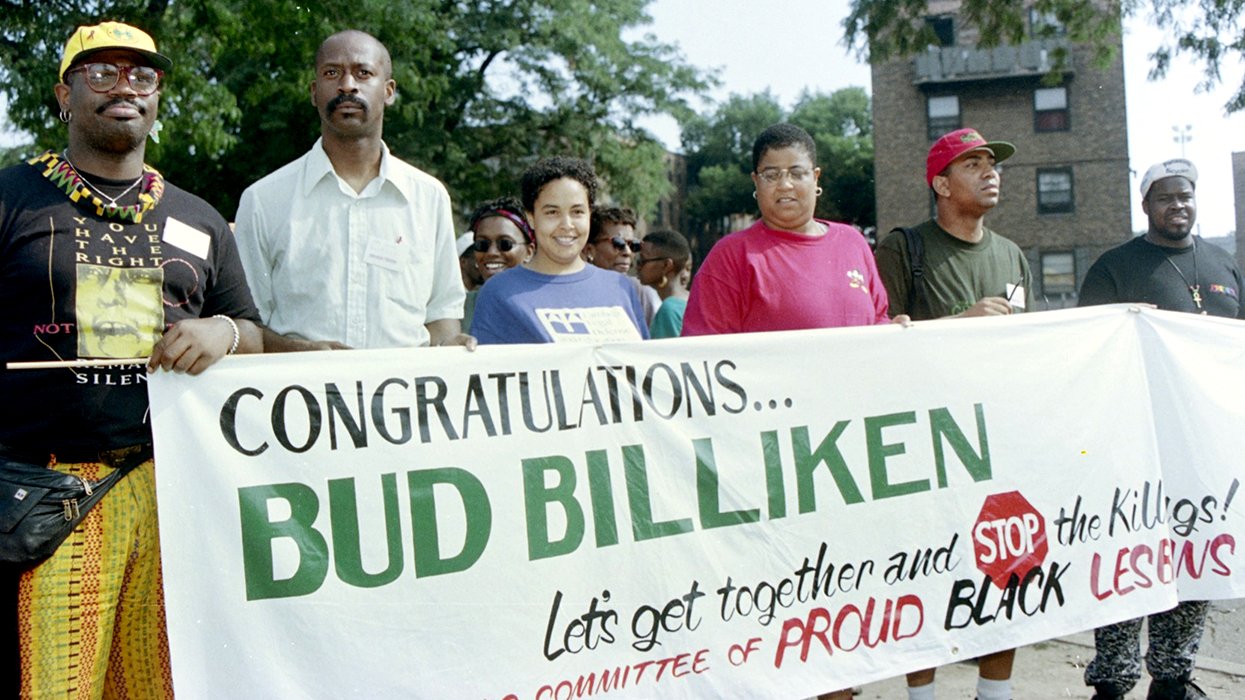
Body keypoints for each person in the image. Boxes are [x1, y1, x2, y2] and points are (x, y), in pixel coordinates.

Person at [0, 21, 262, 696]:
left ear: (157, 96)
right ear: (65, 94)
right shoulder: (11, 198)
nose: (125, 88)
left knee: (159, 683)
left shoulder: (198, 217)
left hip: (174, 495)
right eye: (101, 73)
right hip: (45, 500)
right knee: (53, 685)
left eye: (141, 75)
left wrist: (221, 335)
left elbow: (255, 330)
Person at [874, 127, 1031, 700]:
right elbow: (875, 342)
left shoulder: (1012, 253)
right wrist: (961, 324)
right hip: (927, 442)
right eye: (973, 165)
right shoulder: (903, 248)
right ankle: (923, 693)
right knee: (928, 574)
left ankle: (996, 692)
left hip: (999, 438)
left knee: (1008, 564)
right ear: (940, 184)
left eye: (993, 163)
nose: (991, 172)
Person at [1079, 158, 1240, 700]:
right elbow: (1089, 352)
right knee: (1131, 559)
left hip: (1205, 446)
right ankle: (1114, 678)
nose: (1179, 205)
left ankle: (1173, 676)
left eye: (1187, 196)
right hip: (1136, 444)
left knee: (1197, 554)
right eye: (1167, 197)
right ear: (1145, 204)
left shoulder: (1224, 263)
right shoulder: (1115, 267)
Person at [234, 29, 469, 351]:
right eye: (332, 73)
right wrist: (300, 352)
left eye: (363, 73)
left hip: (402, 398)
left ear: (388, 91)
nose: (347, 85)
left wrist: (454, 349)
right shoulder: (263, 200)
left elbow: (442, 317)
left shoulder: (429, 197)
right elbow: (246, 324)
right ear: (314, 92)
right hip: (301, 395)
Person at [681, 123, 892, 337]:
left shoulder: (852, 242)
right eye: (771, 175)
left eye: (797, 173)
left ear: (816, 177)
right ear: (756, 181)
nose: (785, 185)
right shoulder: (731, 256)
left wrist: (895, 332)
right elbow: (703, 351)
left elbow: (879, 317)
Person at [470, 157, 648, 344]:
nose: (566, 225)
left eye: (577, 212)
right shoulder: (499, 292)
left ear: (590, 215)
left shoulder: (621, 288)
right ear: (531, 217)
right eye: (552, 212)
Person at [462, 196, 534, 330]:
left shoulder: (547, 307)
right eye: (482, 244)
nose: (491, 253)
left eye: (505, 244)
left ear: (529, 252)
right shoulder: (457, 311)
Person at [586, 205, 662, 326]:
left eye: (633, 245)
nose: (627, 252)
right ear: (589, 250)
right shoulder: (575, 293)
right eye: (618, 243)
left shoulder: (641, 293)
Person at [637, 229, 692, 338]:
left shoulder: (669, 310)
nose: (637, 266)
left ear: (666, 265)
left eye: (643, 260)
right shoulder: (691, 299)